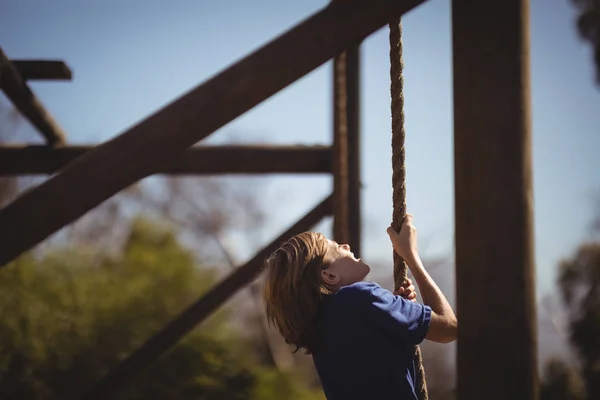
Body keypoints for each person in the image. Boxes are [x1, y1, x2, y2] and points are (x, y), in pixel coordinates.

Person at [262, 214, 457, 399]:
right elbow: (449, 328)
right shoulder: (362, 297)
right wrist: (412, 258)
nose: (346, 245)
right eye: (338, 248)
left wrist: (395, 310)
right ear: (329, 276)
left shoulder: (320, 323)